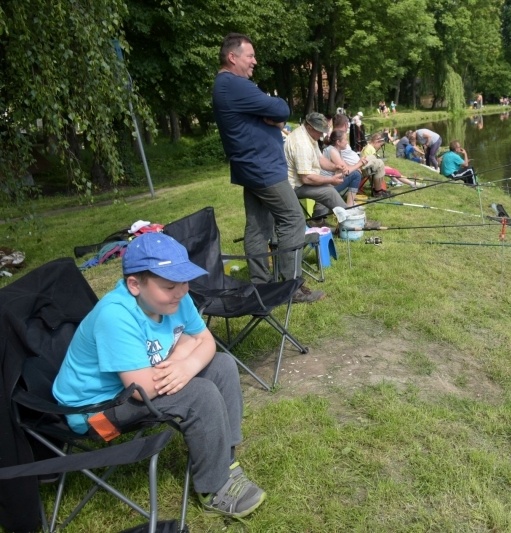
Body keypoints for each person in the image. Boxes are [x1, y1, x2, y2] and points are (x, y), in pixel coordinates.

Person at [52, 233, 267, 519]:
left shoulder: (175, 298)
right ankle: (214, 489)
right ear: (134, 285)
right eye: (169, 286)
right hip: (95, 413)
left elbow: (206, 342)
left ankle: (224, 461)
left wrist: (184, 363)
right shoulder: (115, 315)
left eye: (184, 282)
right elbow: (141, 389)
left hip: (138, 381)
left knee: (223, 365)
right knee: (199, 395)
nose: (181, 291)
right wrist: (186, 350)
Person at [212, 33, 322, 303]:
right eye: (250, 56)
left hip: (251, 167)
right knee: (293, 219)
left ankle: (261, 284)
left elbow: (273, 113)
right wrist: (273, 116)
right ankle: (290, 286)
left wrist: (270, 117)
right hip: (262, 168)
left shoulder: (227, 86)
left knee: (258, 227)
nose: (254, 61)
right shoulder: (233, 84)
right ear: (232, 57)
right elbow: (281, 108)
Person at [285, 112, 353, 219]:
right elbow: (306, 179)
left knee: (327, 188)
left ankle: (318, 219)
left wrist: (335, 167)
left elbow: (320, 159)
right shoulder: (302, 145)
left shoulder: (309, 135)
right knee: (329, 191)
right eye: (320, 131)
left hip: (301, 181)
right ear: (309, 127)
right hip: (293, 186)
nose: (322, 135)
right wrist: (330, 179)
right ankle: (349, 220)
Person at [332, 114, 389, 198]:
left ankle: (378, 189)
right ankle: (378, 191)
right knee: (379, 163)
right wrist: (357, 165)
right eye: (347, 125)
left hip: (358, 163)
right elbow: (340, 161)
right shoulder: (338, 139)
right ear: (345, 124)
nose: (348, 127)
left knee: (374, 157)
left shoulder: (337, 136)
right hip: (357, 167)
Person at [321, 129, 363, 206]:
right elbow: (346, 171)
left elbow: (346, 166)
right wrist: (360, 163)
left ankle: (350, 203)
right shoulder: (333, 151)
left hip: (330, 183)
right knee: (356, 175)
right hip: (327, 186)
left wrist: (356, 167)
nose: (347, 142)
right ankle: (350, 204)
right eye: (346, 140)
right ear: (338, 142)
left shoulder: (337, 150)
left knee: (356, 172)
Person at [360, 133, 392, 198]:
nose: (380, 147)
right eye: (380, 145)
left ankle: (379, 190)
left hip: (364, 168)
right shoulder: (371, 149)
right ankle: (378, 191)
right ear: (376, 142)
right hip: (366, 169)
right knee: (382, 168)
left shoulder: (367, 147)